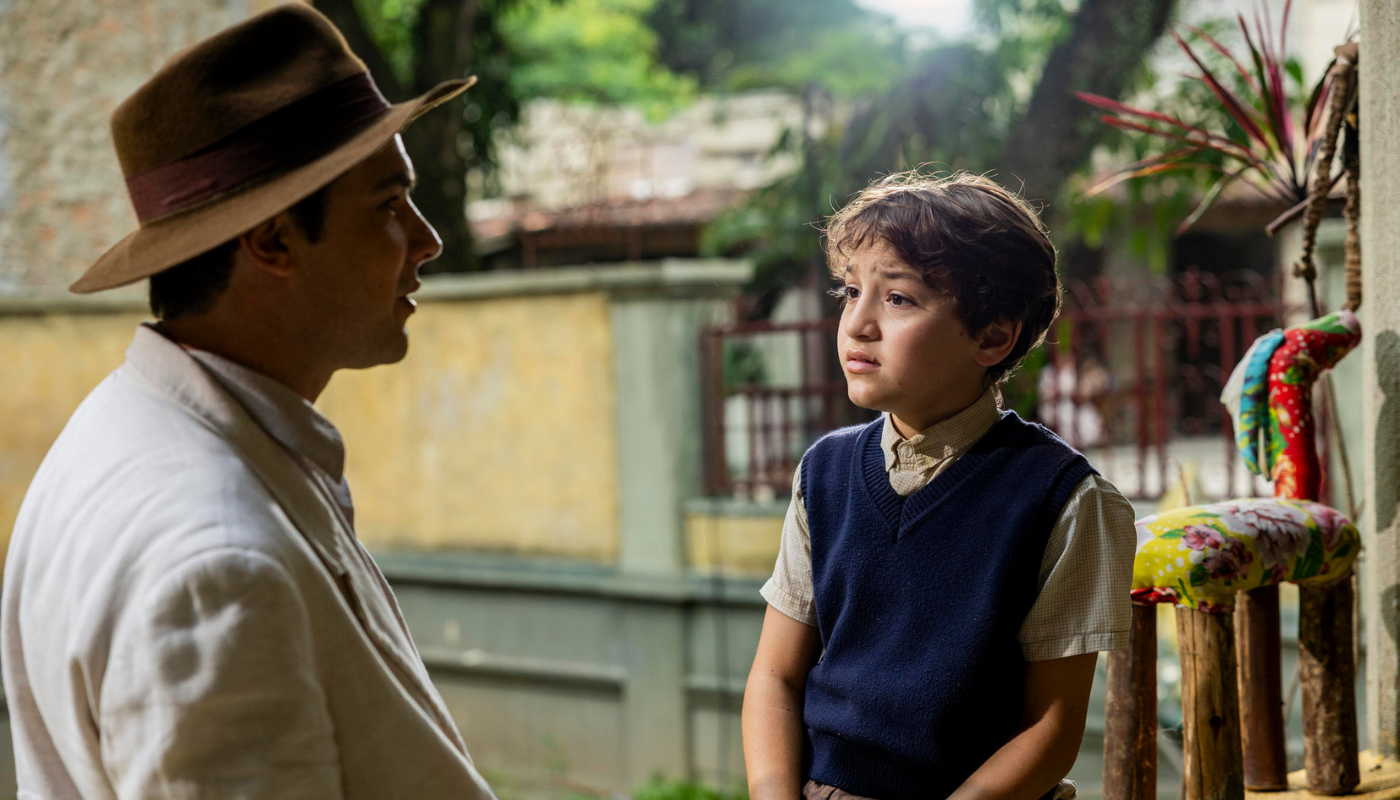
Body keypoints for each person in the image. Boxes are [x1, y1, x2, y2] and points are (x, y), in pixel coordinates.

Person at [1, 6, 497, 798]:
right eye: (387, 204)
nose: (427, 237)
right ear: (272, 243)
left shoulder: (121, 429)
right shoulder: (216, 564)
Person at [740, 172, 1138, 800]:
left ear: (992, 336)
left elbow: (1052, 724)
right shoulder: (824, 474)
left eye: (897, 298)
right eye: (850, 292)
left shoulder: (1063, 500)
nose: (857, 324)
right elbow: (775, 676)